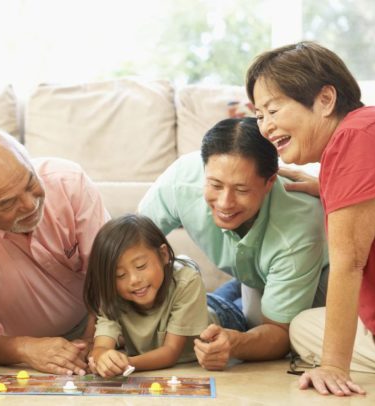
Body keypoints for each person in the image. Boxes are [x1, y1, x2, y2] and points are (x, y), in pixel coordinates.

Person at [247, 41, 375, 396]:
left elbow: (350, 263)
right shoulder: (374, 125)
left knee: (300, 328)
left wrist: (332, 366)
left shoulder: (351, 142)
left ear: (325, 100)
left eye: (273, 109)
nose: (266, 127)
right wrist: (328, 187)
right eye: (259, 116)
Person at [138, 117, 329, 370]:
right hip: (255, 273)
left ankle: (231, 299)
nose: (225, 203)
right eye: (215, 185)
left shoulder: (298, 231)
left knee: (253, 325)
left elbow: (279, 334)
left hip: (315, 278)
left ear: (269, 182)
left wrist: (235, 343)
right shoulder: (182, 180)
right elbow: (127, 245)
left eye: (241, 189)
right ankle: (232, 292)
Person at [0, 129, 109, 376]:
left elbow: (110, 272)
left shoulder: (69, 181)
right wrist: (24, 349)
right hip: (18, 353)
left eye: (30, 183)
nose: (30, 205)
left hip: (100, 324)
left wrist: (94, 340)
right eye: (8, 203)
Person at [85, 214, 214, 377]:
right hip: (189, 301)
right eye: (120, 275)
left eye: (141, 266)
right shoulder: (113, 295)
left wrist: (126, 363)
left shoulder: (187, 282)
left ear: (164, 255)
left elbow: (171, 352)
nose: (134, 280)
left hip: (218, 312)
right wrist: (101, 358)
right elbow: (101, 347)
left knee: (234, 300)